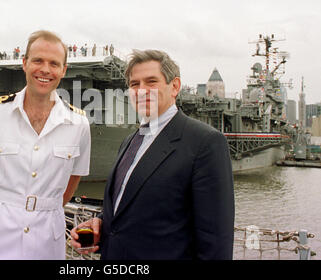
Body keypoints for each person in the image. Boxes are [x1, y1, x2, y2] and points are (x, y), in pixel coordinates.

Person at [71, 49, 234, 260]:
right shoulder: (130, 141)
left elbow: (215, 240)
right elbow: (132, 205)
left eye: (151, 82)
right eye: (134, 84)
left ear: (175, 86)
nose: (141, 91)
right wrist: (101, 224)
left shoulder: (205, 142)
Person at [0, 30, 91, 260]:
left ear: (63, 70)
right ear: (24, 63)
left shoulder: (78, 124)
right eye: (38, 60)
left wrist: (44, 208)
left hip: (46, 240)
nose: (45, 70)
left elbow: (73, 179)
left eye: (54, 63)